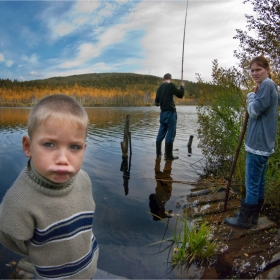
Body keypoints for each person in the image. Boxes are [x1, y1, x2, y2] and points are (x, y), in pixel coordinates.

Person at [0, 94, 99, 278]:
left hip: (88, 267)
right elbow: (10, 238)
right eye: (49, 144)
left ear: (84, 149)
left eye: (74, 147)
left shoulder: (84, 179)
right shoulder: (19, 200)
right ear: (28, 147)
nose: (62, 159)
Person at [225, 56, 280, 229]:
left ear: (267, 70)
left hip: (257, 145)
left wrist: (250, 96)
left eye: (259, 69)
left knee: (252, 184)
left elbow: (255, 111)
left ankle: (244, 220)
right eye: (252, 70)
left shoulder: (266, 85)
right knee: (259, 182)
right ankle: (253, 216)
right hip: (264, 145)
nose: (254, 73)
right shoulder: (272, 87)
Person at [155, 73, 184, 160]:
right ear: (170, 79)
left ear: (163, 79)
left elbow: (156, 103)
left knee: (161, 132)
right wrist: (182, 86)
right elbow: (180, 95)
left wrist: (163, 101)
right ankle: (168, 156)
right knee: (171, 133)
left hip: (162, 113)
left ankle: (158, 154)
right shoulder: (171, 85)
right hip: (170, 113)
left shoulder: (159, 88)